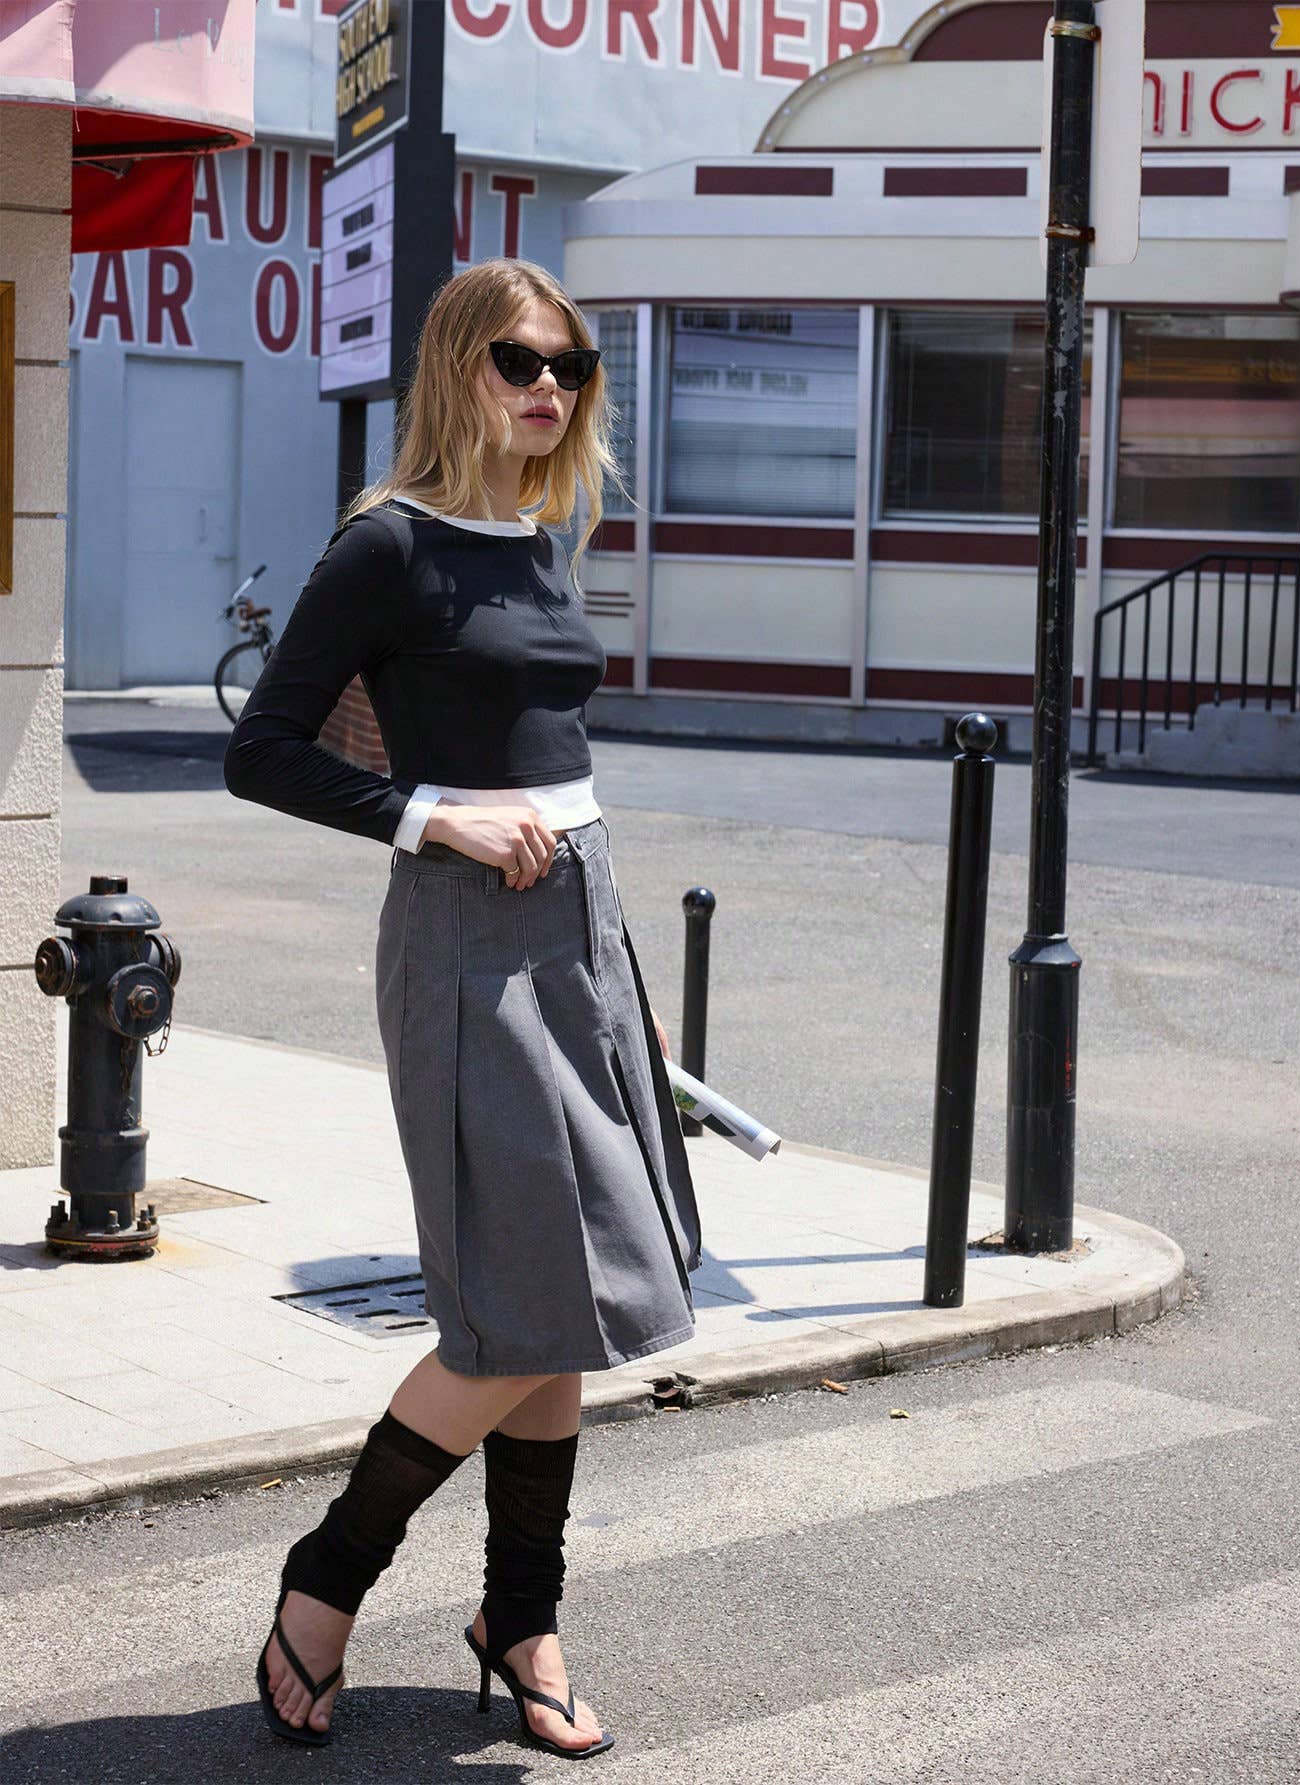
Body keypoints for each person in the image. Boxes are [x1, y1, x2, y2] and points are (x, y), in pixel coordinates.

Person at [222, 256, 703, 1760]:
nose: (548, 386)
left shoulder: (542, 536)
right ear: (456, 366)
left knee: (569, 1298)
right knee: (511, 1307)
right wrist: (439, 817)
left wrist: (627, 978)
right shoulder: (390, 545)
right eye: (518, 359)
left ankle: (522, 1615)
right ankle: (325, 1581)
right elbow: (263, 749)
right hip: (467, 935)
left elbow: (564, 763)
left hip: (580, 926)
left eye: (570, 364)